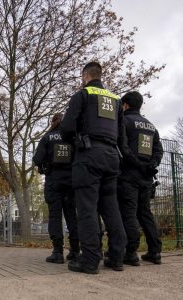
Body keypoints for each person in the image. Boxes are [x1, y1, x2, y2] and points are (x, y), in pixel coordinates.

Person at [60, 62, 127, 274]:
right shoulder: (116, 100)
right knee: (111, 207)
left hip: (88, 155)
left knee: (87, 209)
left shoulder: (83, 94)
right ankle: (116, 258)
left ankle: (89, 260)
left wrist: (75, 140)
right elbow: (122, 137)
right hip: (111, 156)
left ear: (85, 75)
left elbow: (67, 127)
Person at [118, 91, 163, 265]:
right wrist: (152, 164)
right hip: (147, 177)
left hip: (129, 174)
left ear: (126, 105)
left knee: (128, 213)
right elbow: (159, 150)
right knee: (145, 213)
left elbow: (122, 147)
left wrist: (137, 163)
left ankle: (130, 252)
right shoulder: (152, 126)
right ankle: (155, 251)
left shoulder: (125, 121)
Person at [33, 113, 79, 264]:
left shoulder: (48, 137)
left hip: (54, 181)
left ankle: (58, 252)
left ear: (53, 122)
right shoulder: (73, 137)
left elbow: (37, 159)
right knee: (72, 216)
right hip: (71, 181)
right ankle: (74, 251)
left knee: (55, 216)